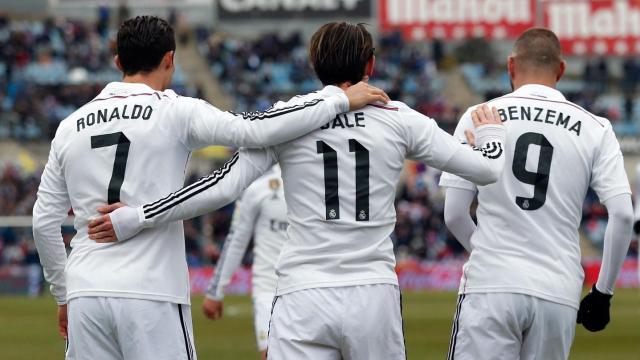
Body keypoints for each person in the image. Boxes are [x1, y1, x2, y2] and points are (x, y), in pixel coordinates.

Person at [88, 22, 506, 359]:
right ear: (371, 66)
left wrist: (139, 214)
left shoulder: (289, 118)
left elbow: (221, 187)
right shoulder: (401, 119)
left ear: (314, 65)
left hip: (301, 293)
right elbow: (486, 171)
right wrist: (489, 135)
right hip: (372, 293)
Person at [32, 16, 388, 360]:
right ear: (170, 60)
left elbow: (43, 223)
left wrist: (64, 295)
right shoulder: (176, 111)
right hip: (151, 290)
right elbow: (254, 132)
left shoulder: (69, 125)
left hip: (85, 291)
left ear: (118, 61)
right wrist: (338, 100)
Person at [439, 28, 633, 360]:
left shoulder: (479, 115)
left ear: (511, 66)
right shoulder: (596, 127)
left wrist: (491, 253)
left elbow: (454, 214)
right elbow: (624, 214)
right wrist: (603, 294)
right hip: (557, 290)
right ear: (560, 69)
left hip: (492, 283)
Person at [202, 166, 287, 360]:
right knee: (270, 355)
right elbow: (237, 239)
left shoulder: (315, 180)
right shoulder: (259, 187)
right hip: (268, 288)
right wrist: (216, 290)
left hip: (305, 286)